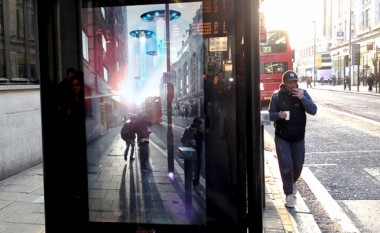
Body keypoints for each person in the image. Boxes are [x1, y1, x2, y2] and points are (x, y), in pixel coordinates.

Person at [268, 70, 317, 208]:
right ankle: (288, 193)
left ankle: (292, 182)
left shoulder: (303, 94)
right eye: (290, 82)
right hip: (282, 136)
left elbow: (313, 110)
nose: (293, 84)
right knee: (286, 166)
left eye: (295, 81)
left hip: (298, 137)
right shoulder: (277, 97)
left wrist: (302, 98)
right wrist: (278, 114)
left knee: (298, 165)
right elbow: (270, 115)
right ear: (284, 83)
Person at [181, 117, 204, 187]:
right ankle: (195, 181)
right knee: (196, 167)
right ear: (196, 124)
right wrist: (189, 141)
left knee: (192, 168)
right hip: (194, 152)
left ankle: (192, 181)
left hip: (191, 153)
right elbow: (184, 140)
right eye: (199, 124)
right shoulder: (197, 130)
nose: (200, 125)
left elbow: (182, 139)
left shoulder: (189, 129)